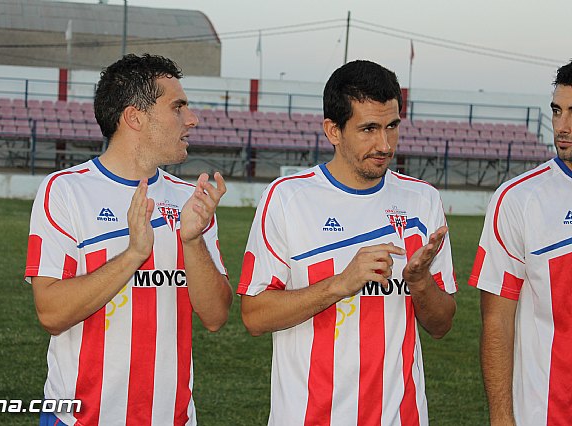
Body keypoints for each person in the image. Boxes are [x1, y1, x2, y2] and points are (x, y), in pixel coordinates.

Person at [238, 60, 457, 425]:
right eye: (368, 129)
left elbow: (441, 324)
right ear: (333, 130)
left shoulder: (422, 201)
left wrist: (419, 282)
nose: (384, 144)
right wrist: (341, 283)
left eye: (391, 127)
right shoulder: (287, 198)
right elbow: (254, 316)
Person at [24, 53, 233, 426]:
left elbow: (216, 316)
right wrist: (134, 254)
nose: (192, 118)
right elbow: (51, 313)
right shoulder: (66, 190)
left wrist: (192, 241)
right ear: (135, 117)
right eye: (177, 106)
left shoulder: (190, 199)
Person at [470, 60, 572, 426]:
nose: (562, 127)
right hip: (544, 414)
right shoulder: (518, 199)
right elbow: (496, 320)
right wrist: (501, 417)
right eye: (557, 111)